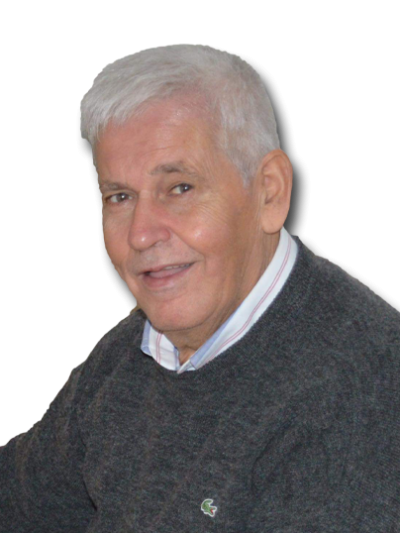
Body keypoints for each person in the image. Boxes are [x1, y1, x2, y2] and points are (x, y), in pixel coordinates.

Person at [1, 43, 399, 532]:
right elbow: (18, 499)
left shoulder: (365, 397)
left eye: (180, 188)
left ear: (269, 192)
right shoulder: (134, 353)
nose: (141, 234)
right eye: (120, 196)